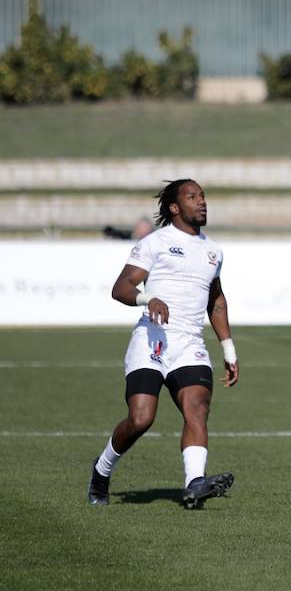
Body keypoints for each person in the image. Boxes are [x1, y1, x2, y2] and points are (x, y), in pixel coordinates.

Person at [87, 179, 238, 510]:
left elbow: (216, 300)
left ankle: (194, 484)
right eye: (193, 197)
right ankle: (101, 471)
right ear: (174, 207)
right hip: (152, 340)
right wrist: (148, 297)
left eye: (203, 197)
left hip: (189, 345)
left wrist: (228, 347)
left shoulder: (214, 251)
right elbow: (121, 287)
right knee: (141, 419)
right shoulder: (155, 243)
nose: (202, 202)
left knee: (196, 410)